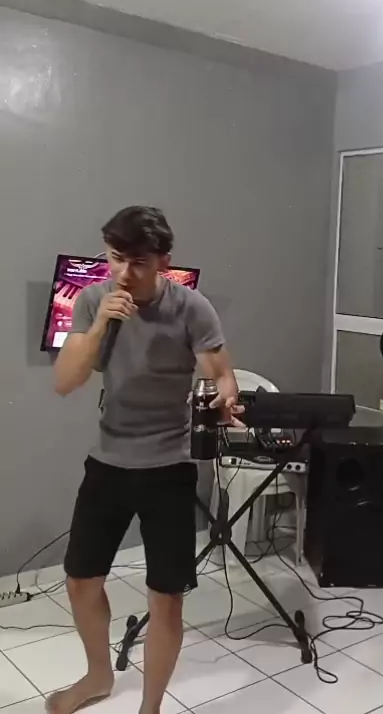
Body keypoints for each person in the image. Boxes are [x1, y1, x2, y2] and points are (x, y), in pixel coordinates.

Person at [51, 206, 242, 714]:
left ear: (163, 261)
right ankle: (97, 676)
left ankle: (150, 707)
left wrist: (225, 400)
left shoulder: (192, 308)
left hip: (169, 468)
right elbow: (66, 381)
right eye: (115, 258)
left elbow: (222, 375)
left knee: (166, 596)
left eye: (137, 262)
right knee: (81, 580)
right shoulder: (93, 300)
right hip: (108, 461)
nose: (123, 272)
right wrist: (100, 326)